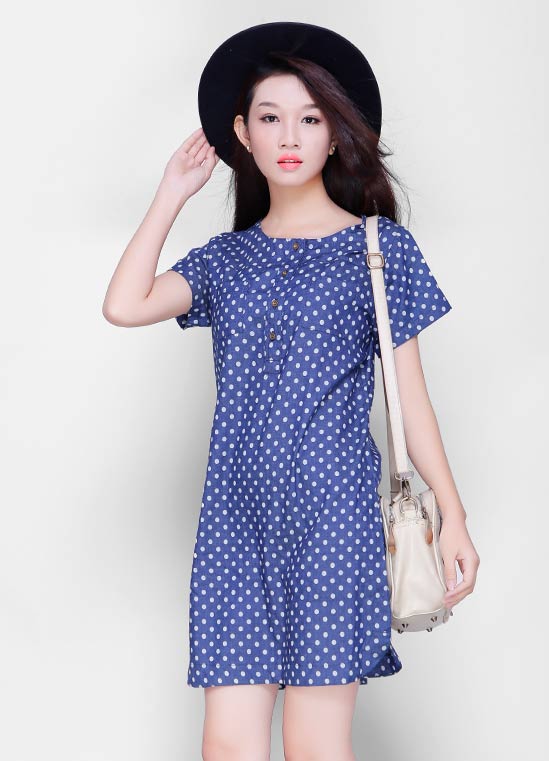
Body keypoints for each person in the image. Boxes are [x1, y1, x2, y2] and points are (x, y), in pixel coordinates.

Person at [103, 21, 480, 761]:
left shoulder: (379, 248)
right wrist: (172, 192)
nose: (289, 136)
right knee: (228, 746)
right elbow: (124, 304)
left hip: (334, 515)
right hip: (233, 520)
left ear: (335, 135)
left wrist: (453, 515)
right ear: (242, 134)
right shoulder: (225, 259)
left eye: (310, 119)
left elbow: (411, 397)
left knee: (314, 744)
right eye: (270, 118)